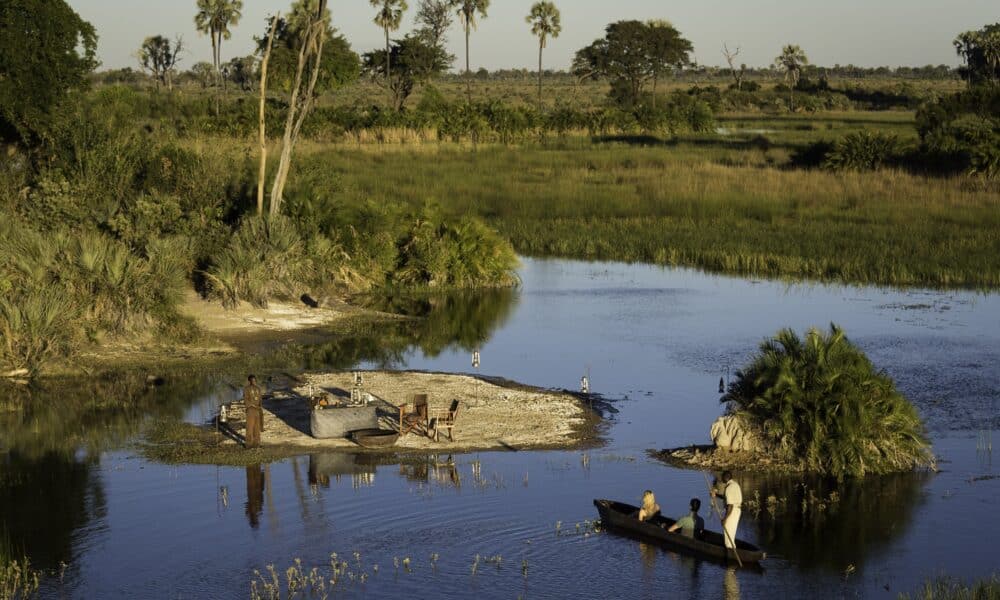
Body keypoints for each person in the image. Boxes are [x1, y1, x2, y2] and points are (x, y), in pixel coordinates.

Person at [718, 470, 742, 552]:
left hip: (732, 511)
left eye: (722, 477)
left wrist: (725, 519)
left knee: (728, 535)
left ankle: (731, 553)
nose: (721, 479)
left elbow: (730, 506)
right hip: (737, 510)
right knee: (731, 534)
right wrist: (716, 495)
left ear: (725, 478)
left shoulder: (729, 488)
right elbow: (727, 499)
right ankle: (733, 550)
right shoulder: (735, 485)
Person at [244, 374, 263, 449]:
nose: (254, 382)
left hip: (257, 410)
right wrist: (252, 405)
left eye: (255, 380)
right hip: (250, 410)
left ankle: (257, 443)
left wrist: (260, 407)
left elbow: (260, 399)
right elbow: (246, 399)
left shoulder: (258, 389)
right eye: (252, 380)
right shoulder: (246, 389)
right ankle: (249, 444)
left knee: (257, 427)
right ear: (249, 381)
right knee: (250, 427)